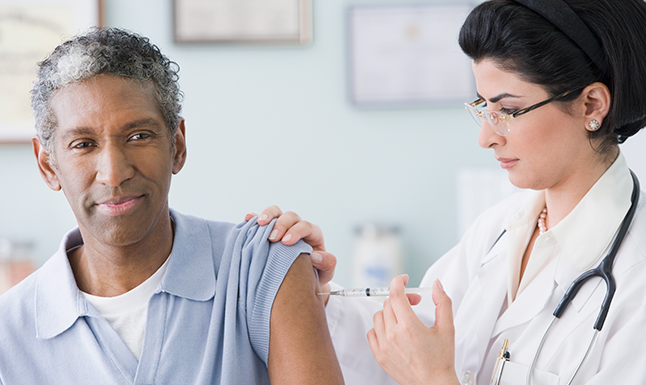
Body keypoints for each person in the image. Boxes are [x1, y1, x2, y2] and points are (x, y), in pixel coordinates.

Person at [251, 0, 646, 384]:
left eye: (507, 111)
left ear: (591, 104)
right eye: (482, 107)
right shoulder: (498, 229)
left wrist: (433, 380)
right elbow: (415, 341)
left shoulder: (636, 280)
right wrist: (311, 297)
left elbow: (427, 369)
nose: (486, 137)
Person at [0, 28, 344, 385]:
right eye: (83, 144)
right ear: (48, 164)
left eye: (139, 136)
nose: (114, 173)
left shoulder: (263, 266)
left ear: (177, 145)